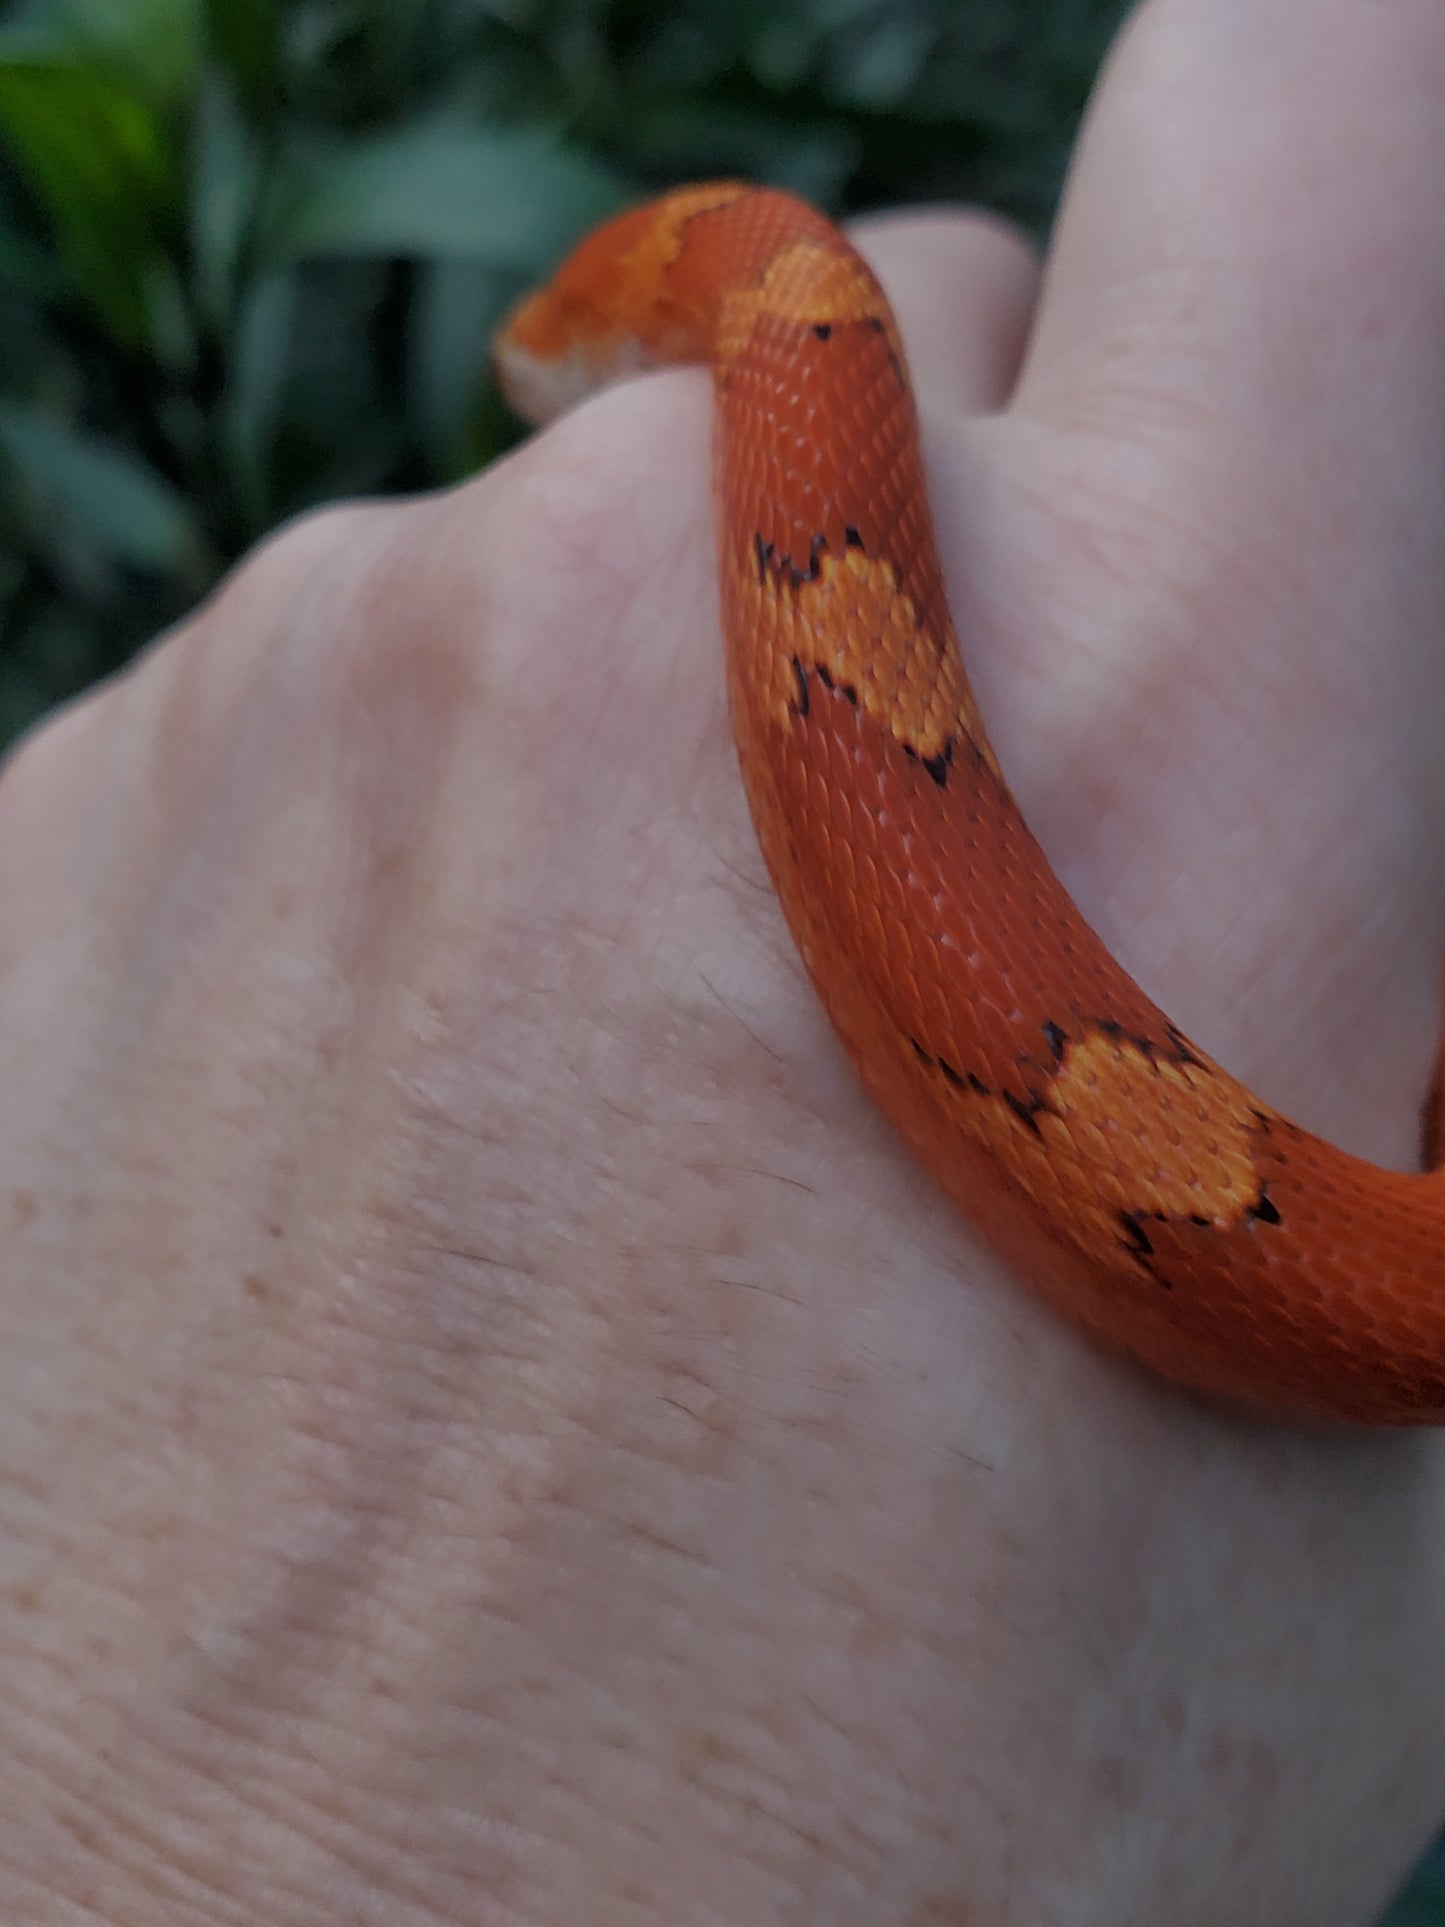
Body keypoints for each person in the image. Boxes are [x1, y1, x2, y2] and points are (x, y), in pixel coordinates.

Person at [3, 0, 1443, 1918]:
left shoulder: (792, 320)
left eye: (553, 364)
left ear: (630, 319)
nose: (532, 389)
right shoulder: (790, 311)